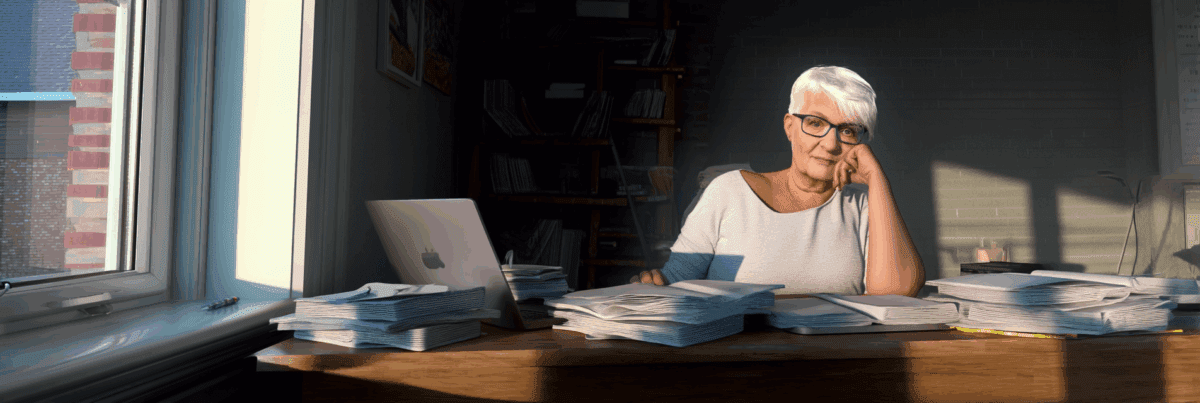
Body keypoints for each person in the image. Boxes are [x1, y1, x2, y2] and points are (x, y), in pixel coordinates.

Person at [631, 65, 924, 297]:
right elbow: (673, 283)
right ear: (790, 127)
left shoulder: (862, 205)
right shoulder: (727, 192)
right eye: (815, 123)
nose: (831, 144)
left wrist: (877, 180)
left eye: (848, 131)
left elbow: (896, 295)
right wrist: (650, 286)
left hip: (835, 365)